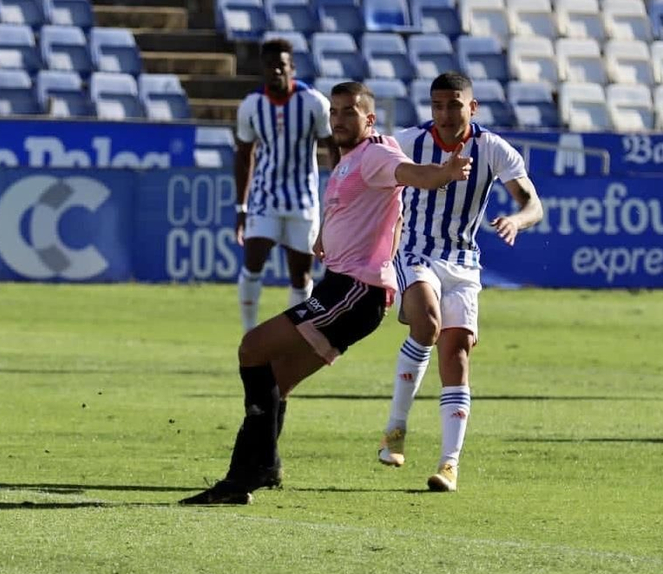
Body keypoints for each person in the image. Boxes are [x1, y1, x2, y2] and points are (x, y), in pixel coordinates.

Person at [182, 82, 472, 505]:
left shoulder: (375, 153)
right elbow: (366, 211)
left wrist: (443, 173)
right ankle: (262, 467)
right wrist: (325, 239)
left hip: (356, 291)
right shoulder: (347, 161)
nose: (338, 120)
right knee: (275, 383)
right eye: (334, 112)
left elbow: (409, 174)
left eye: (349, 112)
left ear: (368, 119)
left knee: (252, 348)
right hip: (347, 289)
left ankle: (242, 477)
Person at [375, 72, 543, 492]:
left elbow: (532, 202)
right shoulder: (408, 141)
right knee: (428, 324)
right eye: (438, 105)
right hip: (415, 251)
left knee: (458, 354)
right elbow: (371, 177)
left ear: (472, 107)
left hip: (464, 260)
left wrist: (517, 220)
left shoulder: (491, 148)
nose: (446, 113)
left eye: (454, 104)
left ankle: (449, 465)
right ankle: (395, 429)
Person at [234, 38, 337, 331]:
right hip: (263, 199)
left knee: (301, 276)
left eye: (281, 65)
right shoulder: (252, 105)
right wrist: (241, 205)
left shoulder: (314, 102)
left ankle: (292, 338)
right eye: (269, 66)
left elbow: (333, 147)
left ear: (292, 67)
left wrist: (336, 193)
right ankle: (248, 333)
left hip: (302, 200)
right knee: (252, 264)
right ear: (263, 70)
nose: (275, 71)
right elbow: (243, 155)